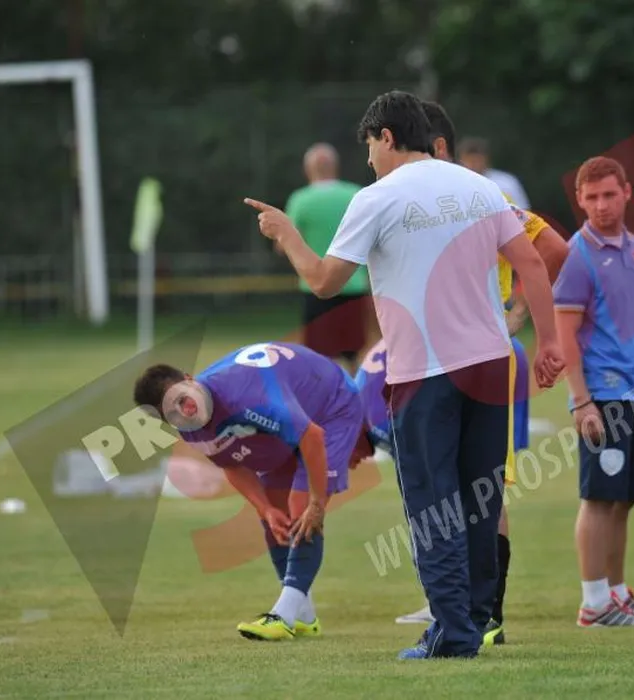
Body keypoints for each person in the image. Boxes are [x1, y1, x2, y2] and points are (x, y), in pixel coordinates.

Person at [244, 90, 564, 659]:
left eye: (370, 146)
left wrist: (286, 234)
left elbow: (323, 281)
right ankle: (477, 619)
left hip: (426, 372)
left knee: (432, 503)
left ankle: (452, 633)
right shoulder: (478, 186)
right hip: (492, 365)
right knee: (481, 498)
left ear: (387, 137)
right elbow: (534, 263)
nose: (368, 159)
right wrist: (550, 343)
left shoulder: (377, 198)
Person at [390, 100, 569, 642]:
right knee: (468, 484)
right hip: (465, 354)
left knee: (480, 488)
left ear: (437, 147)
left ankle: (482, 611)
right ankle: (463, 604)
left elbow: (553, 251)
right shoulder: (454, 201)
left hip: (479, 356)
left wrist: (517, 314)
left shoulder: (480, 199)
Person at [131, 342, 373, 641]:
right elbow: (231, 464)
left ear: (189, 379)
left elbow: (311, 436)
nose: (185, 411)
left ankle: (283, 616)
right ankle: (305, 617)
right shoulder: (190, 428)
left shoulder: (250, 396)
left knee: (301, 510)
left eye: (181, 399)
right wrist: (264, 509)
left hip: (331, 404)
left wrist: (317, 502)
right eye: (172, 413)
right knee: (276, 517)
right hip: (290, 415)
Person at [554, 155, 634, 627]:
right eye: (592, 197)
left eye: (610, 194)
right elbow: (565, 335)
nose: (602, 205)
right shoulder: (576, 256)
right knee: (599, 498)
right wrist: (581, 400)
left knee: (623, 499)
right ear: (580, 200)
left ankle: (617, 593)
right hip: (603, 395)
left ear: (627, 193)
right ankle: (594, 604)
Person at [285, 143, 372, 374]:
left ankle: (325, 394)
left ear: (308, 169)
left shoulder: (300, 200)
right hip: (353, 284)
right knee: (353, 352)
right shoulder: (354, 194)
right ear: (335, 167)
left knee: (318, 355)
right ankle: (355, 391)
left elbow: (285, 243)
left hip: (315, 286)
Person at [457, 136, 532, 210]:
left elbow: (524, 211)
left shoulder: (506, 182)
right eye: (469, 161)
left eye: (477, 160)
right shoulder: (456, 183)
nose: (473, 164)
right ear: (461, 161)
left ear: (486, 159)